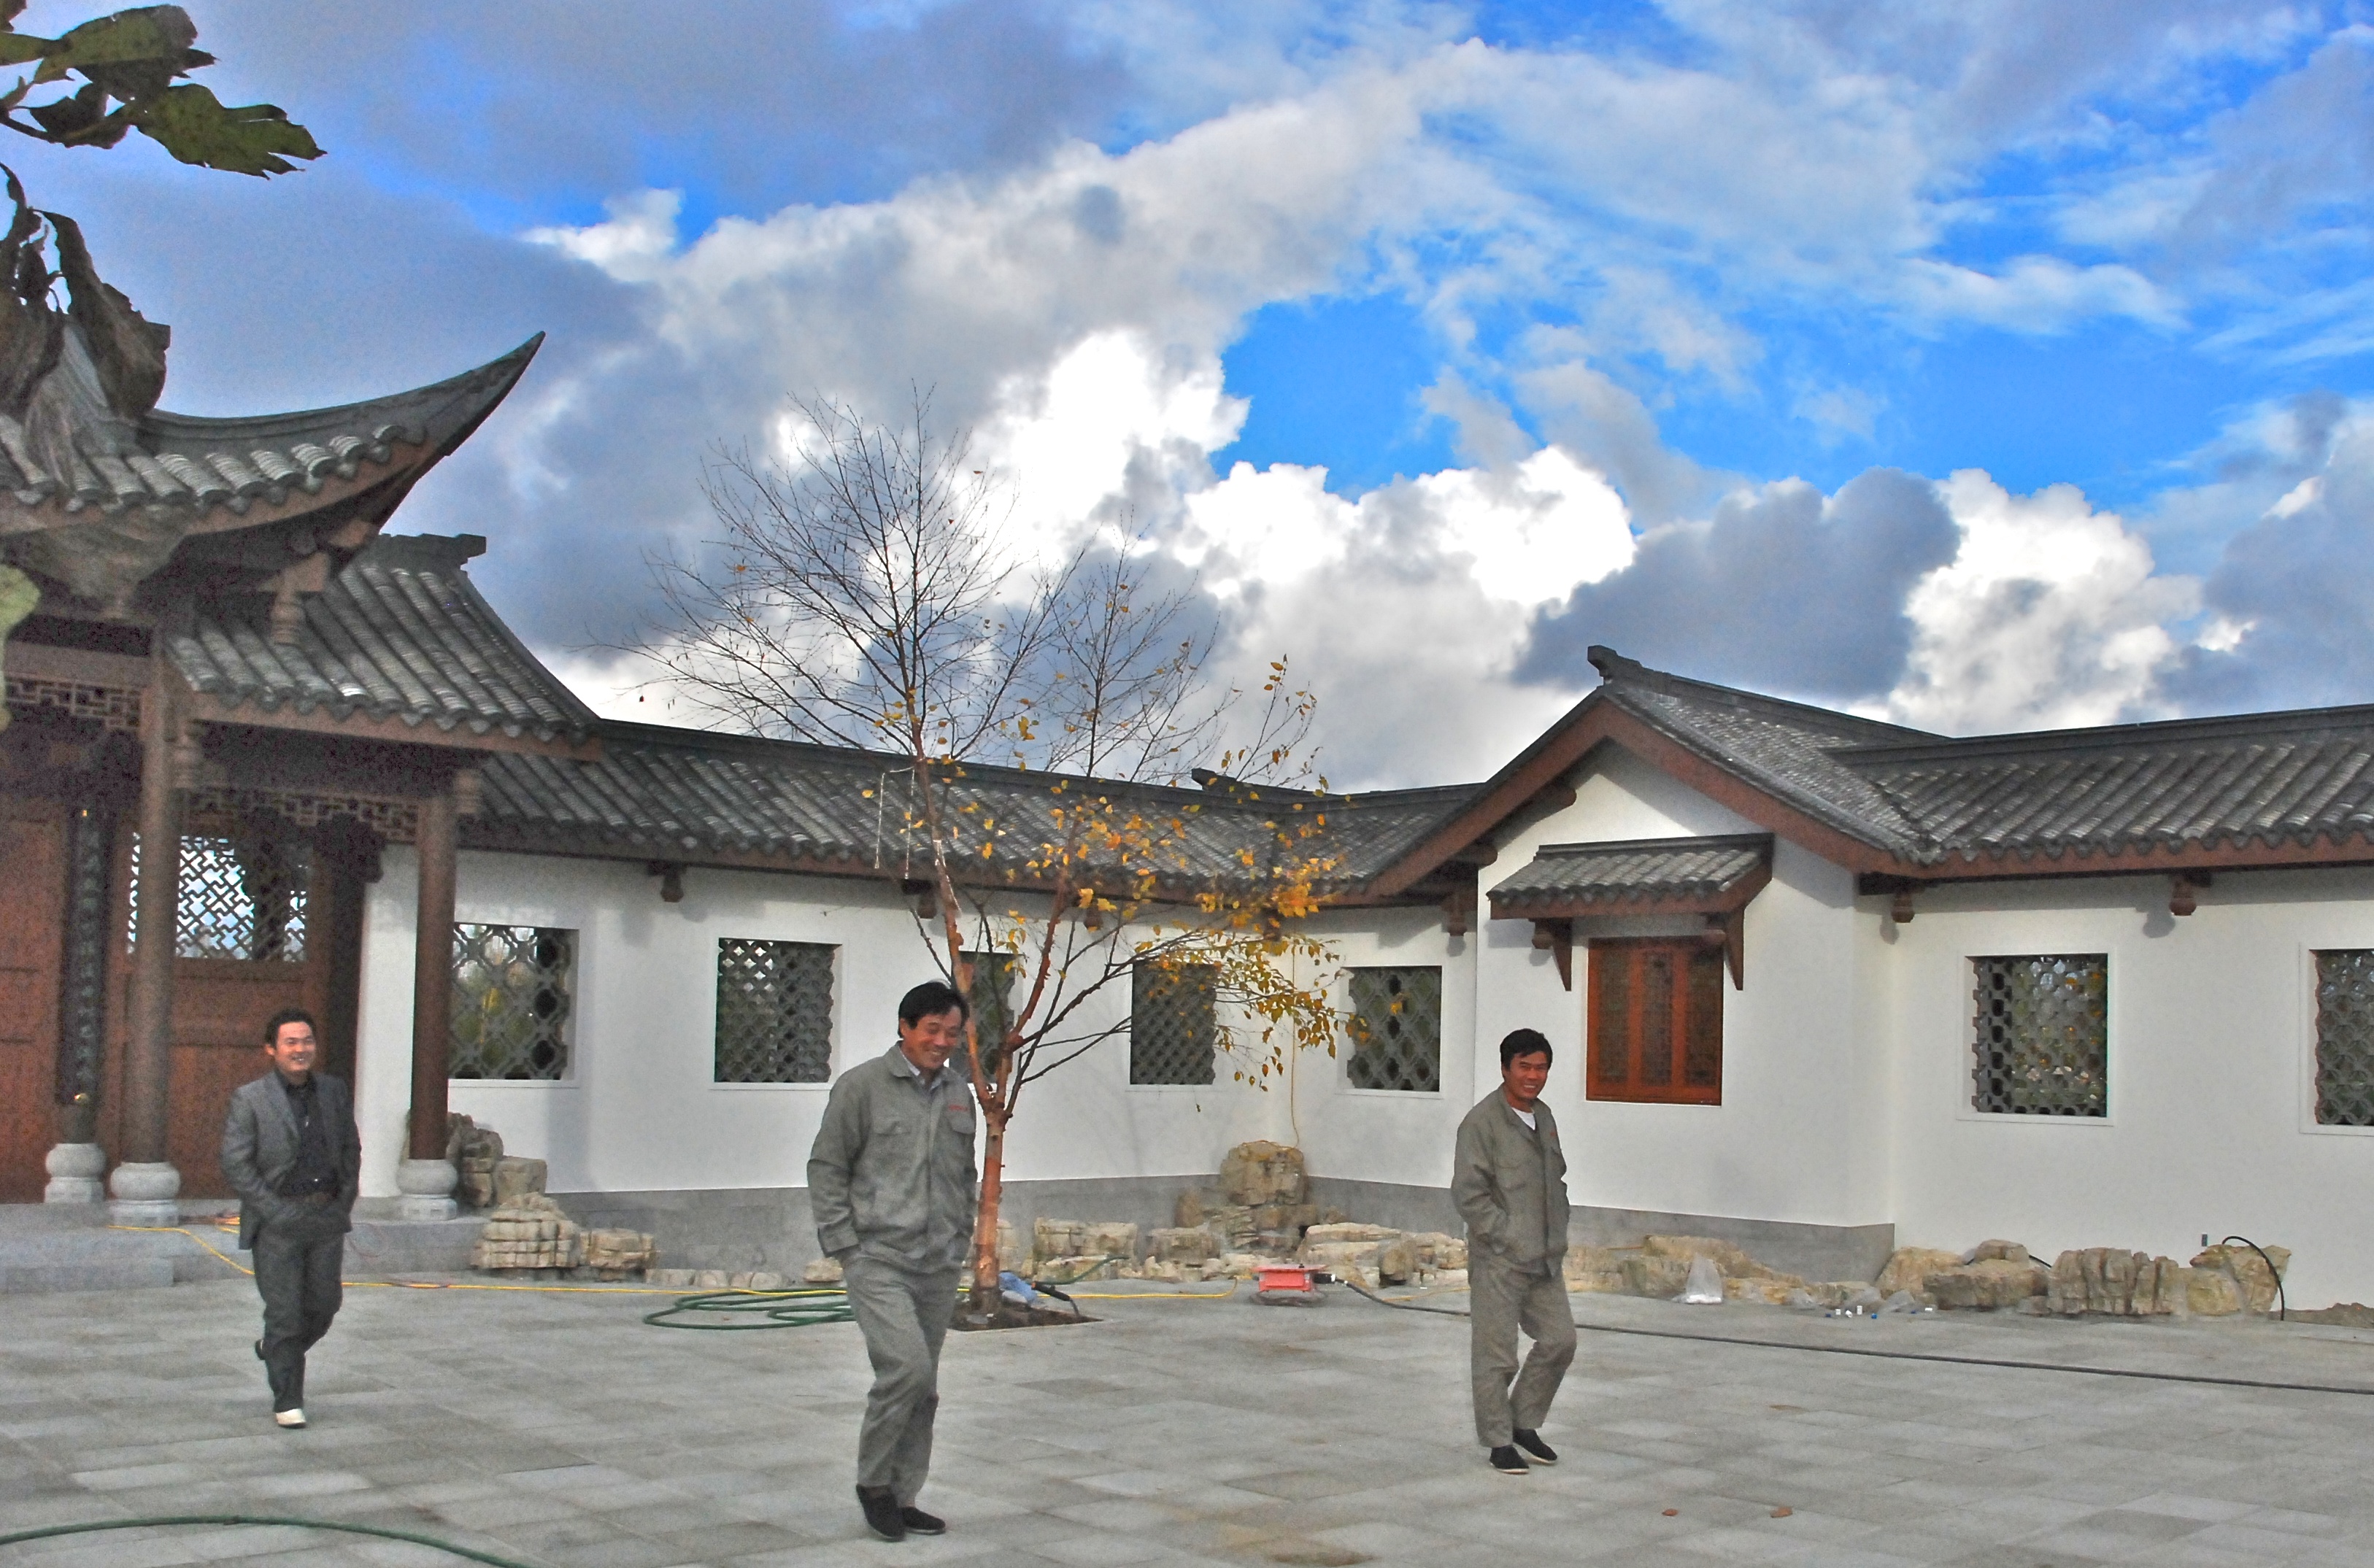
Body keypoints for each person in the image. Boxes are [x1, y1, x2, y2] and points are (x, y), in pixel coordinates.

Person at [808, 980, 979, 1542]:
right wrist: (844, 1246)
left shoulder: (960, 1092)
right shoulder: (861, 1087)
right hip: (878, 1257)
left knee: (924, 1385)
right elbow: (827, 1166)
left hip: (937, 1262)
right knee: (904, 1368)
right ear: (905, 1027)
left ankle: (905, 1495)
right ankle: (873, 1484)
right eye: (932, 1029)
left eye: (951, 1032)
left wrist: (962, 1235)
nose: (941, 1041)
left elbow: (965, 1172)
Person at [220, 1006, 361, 1429]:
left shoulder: (333, 1091)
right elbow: (236, 1164)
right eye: (291, 1042)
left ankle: (275, 1349)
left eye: (307, 1041)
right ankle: (288, 1398)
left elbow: (350, 1149)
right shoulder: (251, 1098)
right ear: (272, 1049)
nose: (301, 1050)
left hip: (325, 1215)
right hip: (278, 1220)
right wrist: (275, 1210)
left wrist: (344, 1200)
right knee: (285, 1312)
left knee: (324, 1304)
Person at [1452, 1027, 1576, 1475]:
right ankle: (1498, 1441)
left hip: (1544, 1257)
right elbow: (1469, 1195)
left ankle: (1524, 1422)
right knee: (1496, 1355)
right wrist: (1502, 1235)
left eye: (1541, 1068)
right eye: (1524, 1067)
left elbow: (1554, 1180)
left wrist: (1557, 1228)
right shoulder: (1481, 1123)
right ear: (1505, 1069)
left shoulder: (1543, 1116)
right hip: (1499, 1259)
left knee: (1561, 1341)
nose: (1533, 1076)